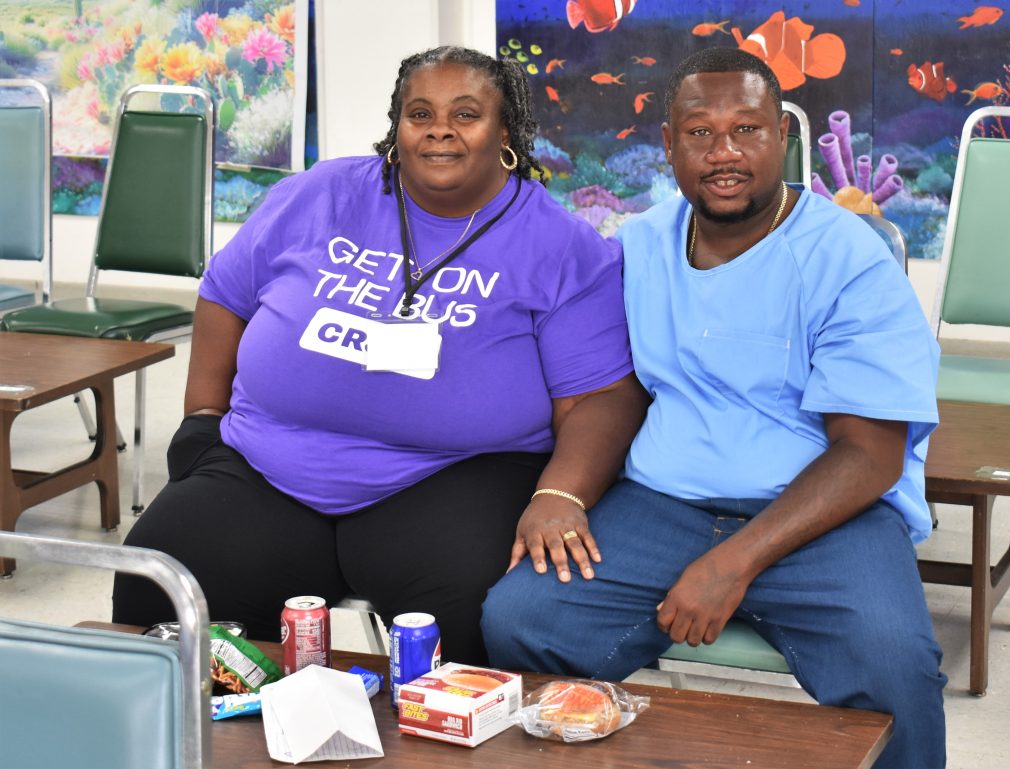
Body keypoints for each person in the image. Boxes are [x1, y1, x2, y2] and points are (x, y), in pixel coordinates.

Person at [482, 47, 946, 768]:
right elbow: (616, 387)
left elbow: (871, 453)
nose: (724, 152)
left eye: (748, 130)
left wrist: (733, 560)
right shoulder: (640, 246)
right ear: (667, 144)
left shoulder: (848, 258)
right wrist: (561, 491)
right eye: (699, 132)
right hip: (664, 503)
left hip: (825, 511)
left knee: (895, 662)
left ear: (782, 138)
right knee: (521, 619)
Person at [112, 45, 648, 666]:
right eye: (420, 113)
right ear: (397, 126)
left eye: (466, 114)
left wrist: (562, 494)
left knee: (475, 622)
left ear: (505, 132)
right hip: (268, 462)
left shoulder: (560, 245)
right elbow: (225, 295)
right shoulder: (318, 195)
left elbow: (602, 396)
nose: (440, 128)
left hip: (452, 476)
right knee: (160, 584)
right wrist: (203, 417)